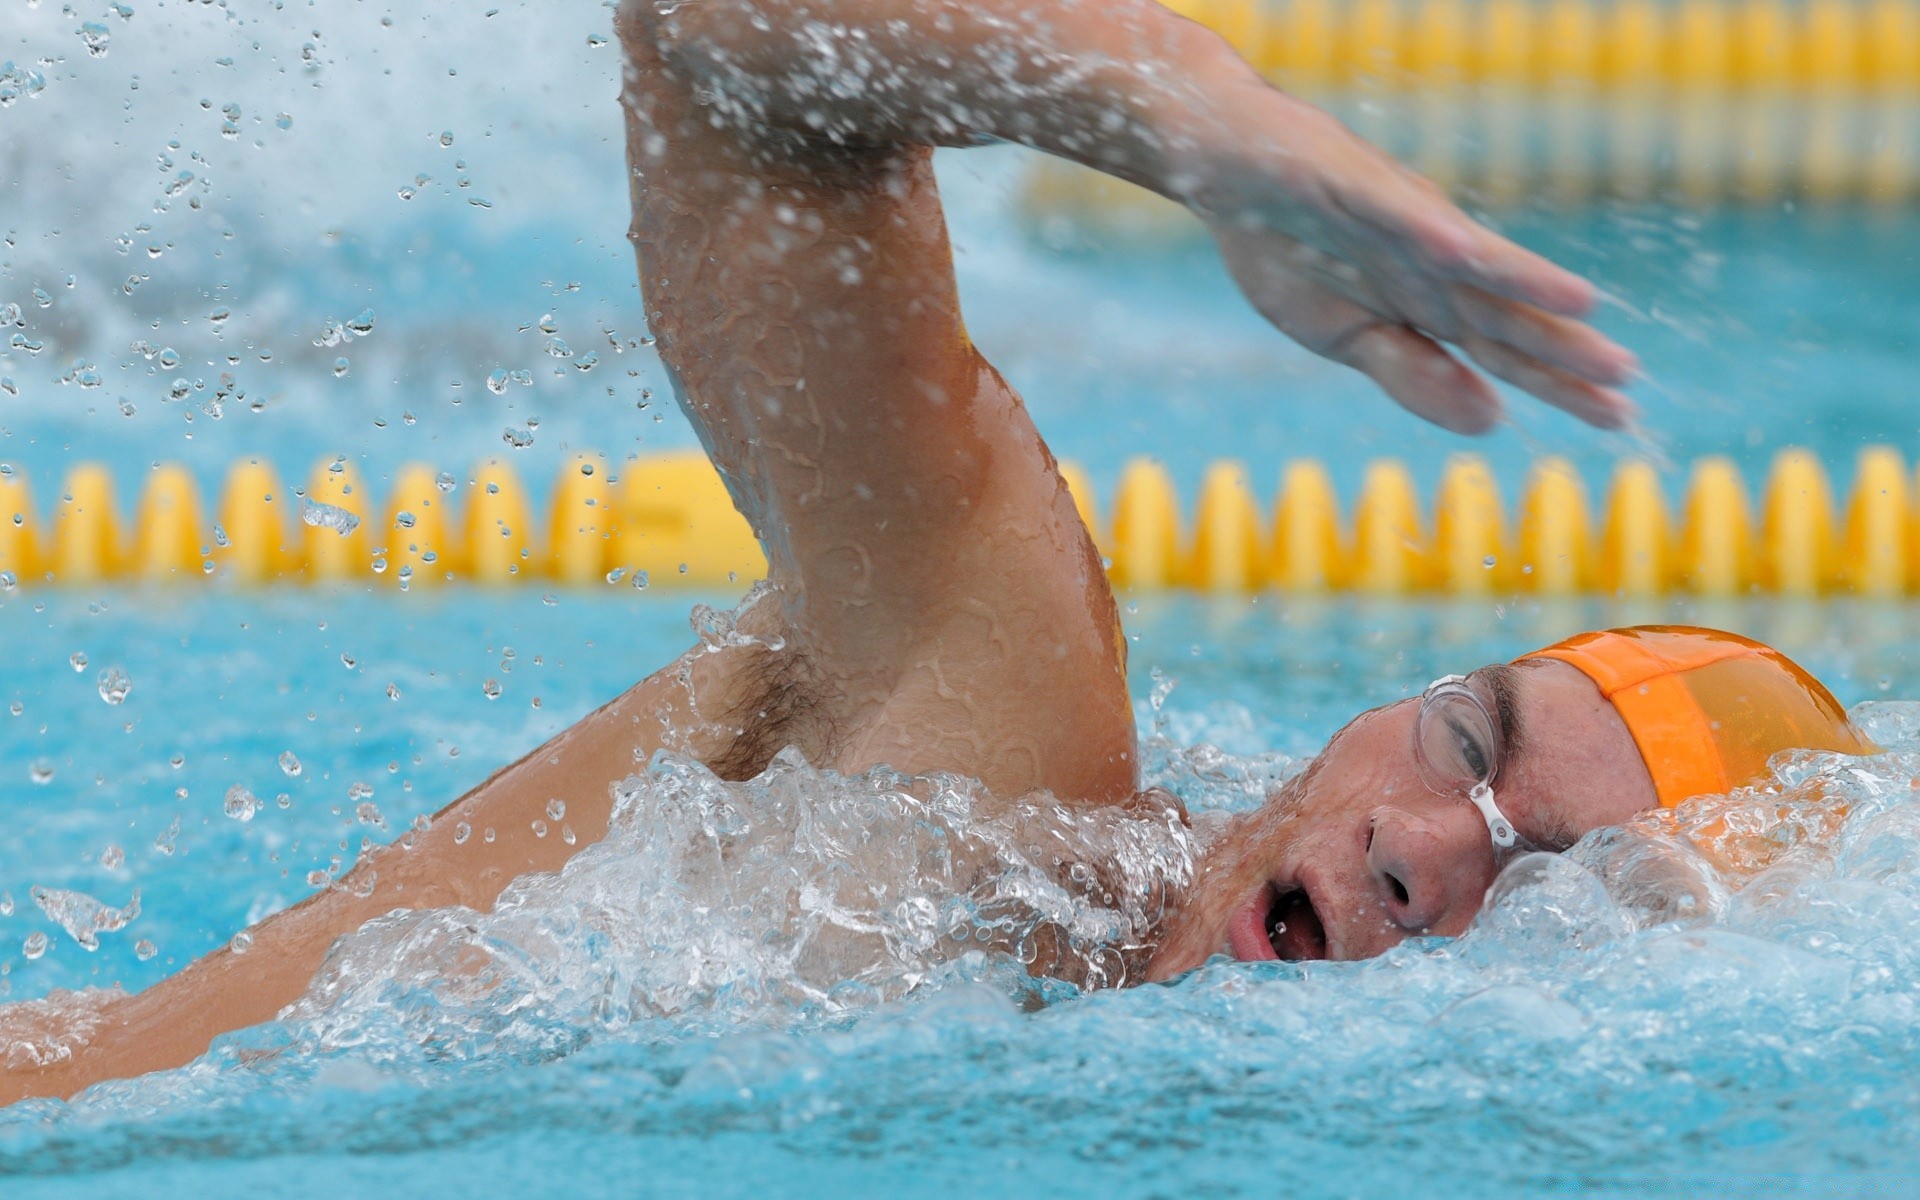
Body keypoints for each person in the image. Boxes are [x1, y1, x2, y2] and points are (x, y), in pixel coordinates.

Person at [0, 0, 1865, 1105]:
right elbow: (725, 48)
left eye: (1554, 891)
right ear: (1379, 716)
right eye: (1468, 748)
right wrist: (1194, 119)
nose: (1430, 848)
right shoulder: (990, 765)